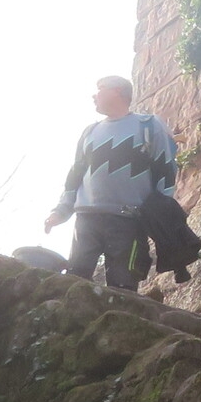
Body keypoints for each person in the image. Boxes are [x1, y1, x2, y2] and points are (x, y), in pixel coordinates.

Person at [42, 76, 177, 292]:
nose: (93, 95)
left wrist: (160, 213)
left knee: (123, 286)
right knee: (75, 280)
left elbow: (166, 169)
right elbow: (75, 176)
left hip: (129, 221)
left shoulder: (149, 126)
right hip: (87, 218)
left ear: (117, 91)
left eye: (100, 89)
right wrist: (61, 211)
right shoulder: (90, 132)